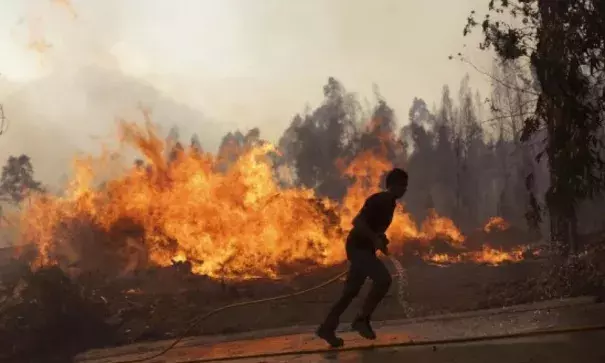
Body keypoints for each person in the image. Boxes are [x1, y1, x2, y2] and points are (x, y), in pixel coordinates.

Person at [316, 168, 408, 348]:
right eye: (403, 186)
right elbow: (357, 222)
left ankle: (327, 327)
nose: (405, 190)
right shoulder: (380, 200)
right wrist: (374, 238)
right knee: (383, 280)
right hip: (357, 248)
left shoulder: (390, 204)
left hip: (365, 249)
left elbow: (373, 227)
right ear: (394, 185)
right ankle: (362, 319)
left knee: (350, 292)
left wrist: (380, 238)